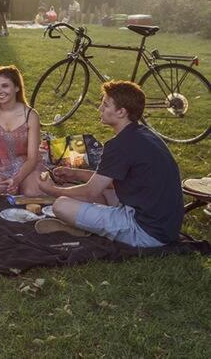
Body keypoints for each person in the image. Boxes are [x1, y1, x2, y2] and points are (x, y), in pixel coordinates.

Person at [39, 81, 184, 247]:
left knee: (61, 205)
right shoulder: (143, 134)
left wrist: (52, 190)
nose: (100, 108)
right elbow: (114, 180)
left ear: (121, 112)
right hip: (165, 226)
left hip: (146, 231)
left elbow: (91, 191)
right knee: (102, 194)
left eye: (106, 105)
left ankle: (87, 228)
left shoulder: (120, 145)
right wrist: (75, 173)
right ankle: (91, 224)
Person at [0, 65, 44, 196]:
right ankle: (8, 186)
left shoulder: (31, 115)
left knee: (32, 192)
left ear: (17, 88)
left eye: (5, 86)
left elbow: (32, 158)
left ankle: (21, 184)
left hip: (25, 165)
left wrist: (16, 179)